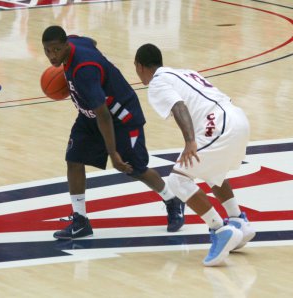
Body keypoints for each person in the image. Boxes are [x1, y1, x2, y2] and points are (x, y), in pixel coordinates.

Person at [41, 26, 185, 240]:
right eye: (47, 51)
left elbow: (104, 116)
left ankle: (172, 200)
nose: (52, 56)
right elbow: (92, 41)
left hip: (121, 117)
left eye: (56, 50)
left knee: (134, 168)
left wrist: (113, 153)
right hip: (90, 114)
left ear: (65, 45)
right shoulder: (75, 42)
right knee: (73, 159)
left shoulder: (84, 71)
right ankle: (80, 221)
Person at [134, 43, 256, 267]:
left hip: (219, 124)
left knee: (178, 180)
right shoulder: (184, 73)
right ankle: (239, 221)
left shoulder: (158, 83)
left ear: (139, 66)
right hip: (238, 118)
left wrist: (190, 140)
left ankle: (219, 230)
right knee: (211, 170)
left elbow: (178, 105)